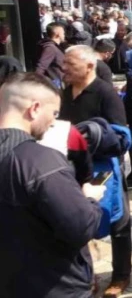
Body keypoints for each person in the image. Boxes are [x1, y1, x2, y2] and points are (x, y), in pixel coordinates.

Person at [0, 72, 105, 297]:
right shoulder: (41, 161)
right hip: (55, 286)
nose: (53, 122)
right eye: (54, 113)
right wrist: (90, 199)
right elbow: (81, 226)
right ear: (35, 108)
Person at [59, 46, 132, 297]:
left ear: (90, 66)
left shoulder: (105, 93)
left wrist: (93, 136)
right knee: (79, 224)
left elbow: (121, 138)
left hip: (105, 168)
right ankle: (87, 276)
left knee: (118, 224)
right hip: (73, 168)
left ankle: (121, 275)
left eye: (71, 64)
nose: (64, 68)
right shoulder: (65, 92)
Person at [36, 22, 65, 86]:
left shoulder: (53, 46)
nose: (64, 35)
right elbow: (41, 66)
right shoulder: (50, 48)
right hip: (55, 82)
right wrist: (36, 83)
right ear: (58, 34)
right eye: (63, 33)